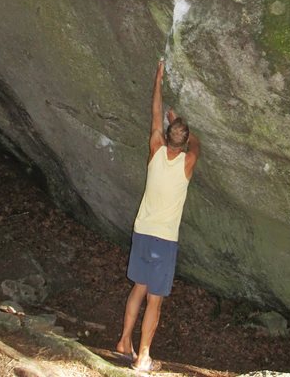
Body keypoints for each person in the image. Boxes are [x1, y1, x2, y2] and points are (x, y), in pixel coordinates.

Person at [116, 59, 200, 372]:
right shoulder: (188, 162)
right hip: (164, 240)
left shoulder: (154, 148)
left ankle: (124, 341)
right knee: (155, 299)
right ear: (185, 140)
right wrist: (178, 120)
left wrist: (158, 80)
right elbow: (196, 144)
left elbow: (154, 112)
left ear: (165, 136)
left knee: (138, 287)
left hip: (142, 231)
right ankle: (144, 357)